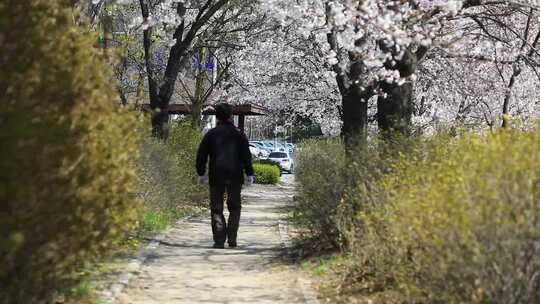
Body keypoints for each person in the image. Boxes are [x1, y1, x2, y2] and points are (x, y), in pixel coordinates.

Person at [196, 103, 255, 249]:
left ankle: (219, 239)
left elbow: (201, 155)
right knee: (235, 207)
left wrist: (201, 172)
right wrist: (249, 173)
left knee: (216, 208)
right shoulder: (239, 133)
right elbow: (246, 155)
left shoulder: (211, 134)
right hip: (235, 175)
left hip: (216, 175)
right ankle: (232, 238)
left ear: (217, 116)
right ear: (231, 116)